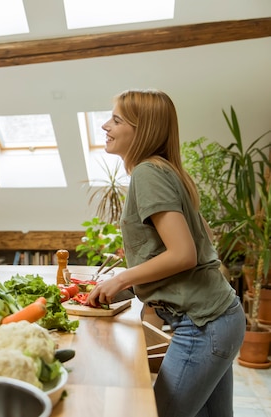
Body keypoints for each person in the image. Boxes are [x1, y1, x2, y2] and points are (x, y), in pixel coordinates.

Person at [87, 89, 246, 417]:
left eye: (116, 120)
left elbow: (183, 254)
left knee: (154, 412)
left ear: (141, 130)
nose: (105, 125)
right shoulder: (163, 169)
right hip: (220, 316)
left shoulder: (147, 173)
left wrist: (122, 279)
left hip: (205, 323)